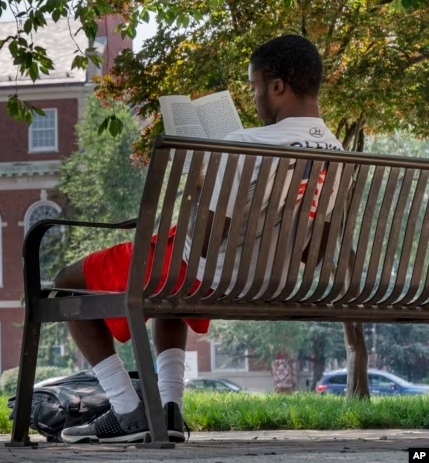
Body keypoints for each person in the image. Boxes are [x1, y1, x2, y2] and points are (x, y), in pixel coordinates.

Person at [56, 34, 344, 444]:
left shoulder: (247, 145)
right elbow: (313, 255)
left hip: (209, 269)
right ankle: (169, 409)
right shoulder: (337, 151)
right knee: (169, 287)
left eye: (255, 87)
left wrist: (197, 188)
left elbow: (206, 242)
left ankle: (125, 409)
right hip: (268, 280)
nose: (256, 98)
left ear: (277, 86)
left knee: (67, 283)